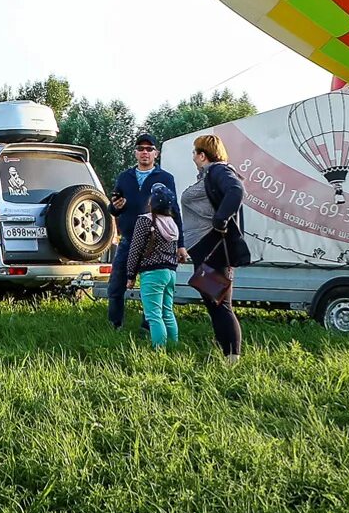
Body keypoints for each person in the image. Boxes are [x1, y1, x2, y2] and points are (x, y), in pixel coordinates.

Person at [179, 133, 247, 360]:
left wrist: (221, 220)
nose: (192, 157)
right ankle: (225, 353)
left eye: (194, 152)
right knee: (213, 303)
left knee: (221, 304)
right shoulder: (208, 175)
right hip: (205, 249)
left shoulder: (219, 170)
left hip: (214, 248)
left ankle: (233, 358)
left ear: (202, 155)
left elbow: (236, 190)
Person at [106, 133, 178, 332]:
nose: (144, 152)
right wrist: (115, 207)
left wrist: (180, 245)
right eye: (140, 149)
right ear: (135, 152)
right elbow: (113, 208)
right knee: (116, 285)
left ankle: (149, 327)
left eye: (149, 149)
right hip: (129, 239)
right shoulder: (125, 177)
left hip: (156, 242)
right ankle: (115, 324)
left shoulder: (165, 178)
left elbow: (174, 210)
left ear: (156, 153)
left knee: (153, 288)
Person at [122, 184, 181, 348]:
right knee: (167, 312)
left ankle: (159, 350)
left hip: (152, 273)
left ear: (152, 202)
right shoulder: (172, 223)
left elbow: (135, 250)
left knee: (154, 315)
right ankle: (174, 347)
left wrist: (130, 275)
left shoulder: (145, 221)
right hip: (170, 273)